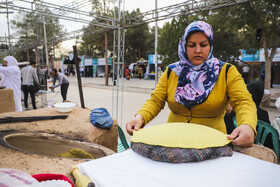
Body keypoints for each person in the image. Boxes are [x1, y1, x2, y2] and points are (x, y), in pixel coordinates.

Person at [126, 21, 257, 147]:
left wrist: (247, 125)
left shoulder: (226, 72)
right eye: (192, 45)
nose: (198, 50)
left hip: (212, 144)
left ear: (210, 45)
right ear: (184, 46)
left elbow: (243, 102)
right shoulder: (172, 71)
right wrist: (140, 118)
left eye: (204, 45)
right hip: (173, 141)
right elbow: (156, 100)